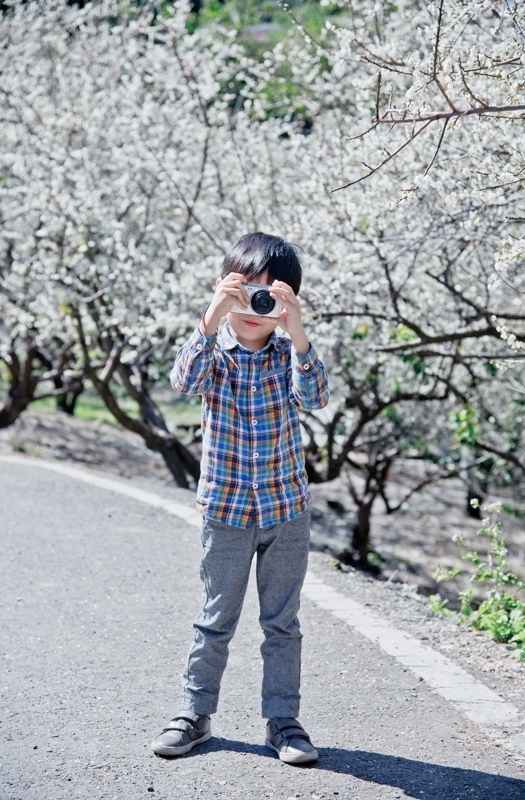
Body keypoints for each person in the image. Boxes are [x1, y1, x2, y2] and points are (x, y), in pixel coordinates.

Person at [151, 232, 329, 764]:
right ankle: (194, 715)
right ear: (226, 291)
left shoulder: (286, 354)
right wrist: (208, 318)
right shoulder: (214, 353)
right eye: (245, 293)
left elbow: (316, 396)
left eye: (268, 297)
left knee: (282, 624)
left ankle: (284, 723)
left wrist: (297, 333)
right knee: (214, 620)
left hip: (285, 512)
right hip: (225, 512)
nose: (255, 308)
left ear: (285, 301)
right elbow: (182, 380)